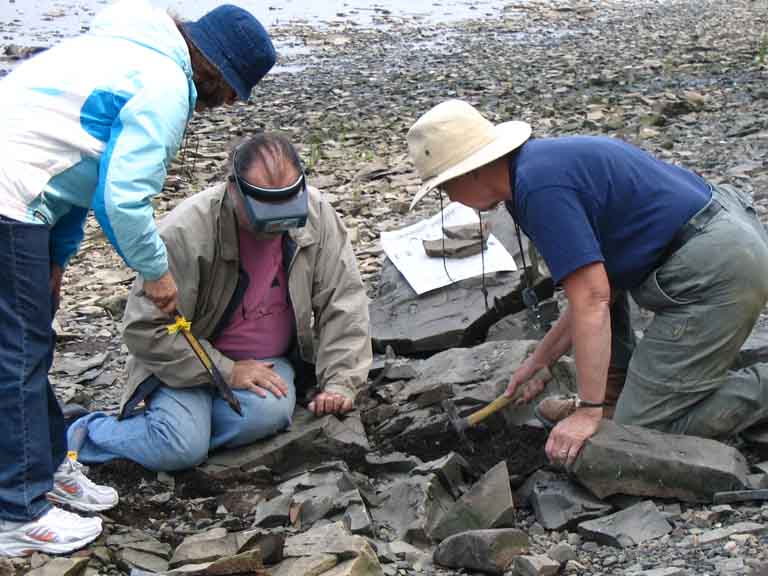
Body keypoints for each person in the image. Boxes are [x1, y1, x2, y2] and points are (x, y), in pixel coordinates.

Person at [0, 0, 276, 557]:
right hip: (9, 200)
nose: (220, 108)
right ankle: (17, 511)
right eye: (229, 94)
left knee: (30, 347)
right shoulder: (165, 87)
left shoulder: (122, 52)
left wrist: (56, 258)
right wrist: (156, 273)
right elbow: (121, 199)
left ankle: (46, 467)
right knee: (17, 354)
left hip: (26, 199)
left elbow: (78, 172)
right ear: (217, 72)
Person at [407, 99, 768, 468]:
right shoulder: (530, 173)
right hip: (722, 233)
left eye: (444, 187)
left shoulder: (540, 190)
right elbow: (596, 286)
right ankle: (614, 394)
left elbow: (592, 300)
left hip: (718, 268)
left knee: (639, 434)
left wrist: (588, 413)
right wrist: (541, 360)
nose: (450, 199)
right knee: (600, 306)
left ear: (472, 171)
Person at [67, 132, 372, 473]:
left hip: (265, 362)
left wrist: (340, 381)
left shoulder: (317, 213)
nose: (279, 222)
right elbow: (144, 328)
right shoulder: (187, 231)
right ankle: (82, 433)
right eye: (265, 210)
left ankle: (176, 430)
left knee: (268, 415)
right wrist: (227, 371)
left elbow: (343, 299)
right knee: (181, 449)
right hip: (188, 362)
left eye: (288, 205)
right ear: (233, 190)